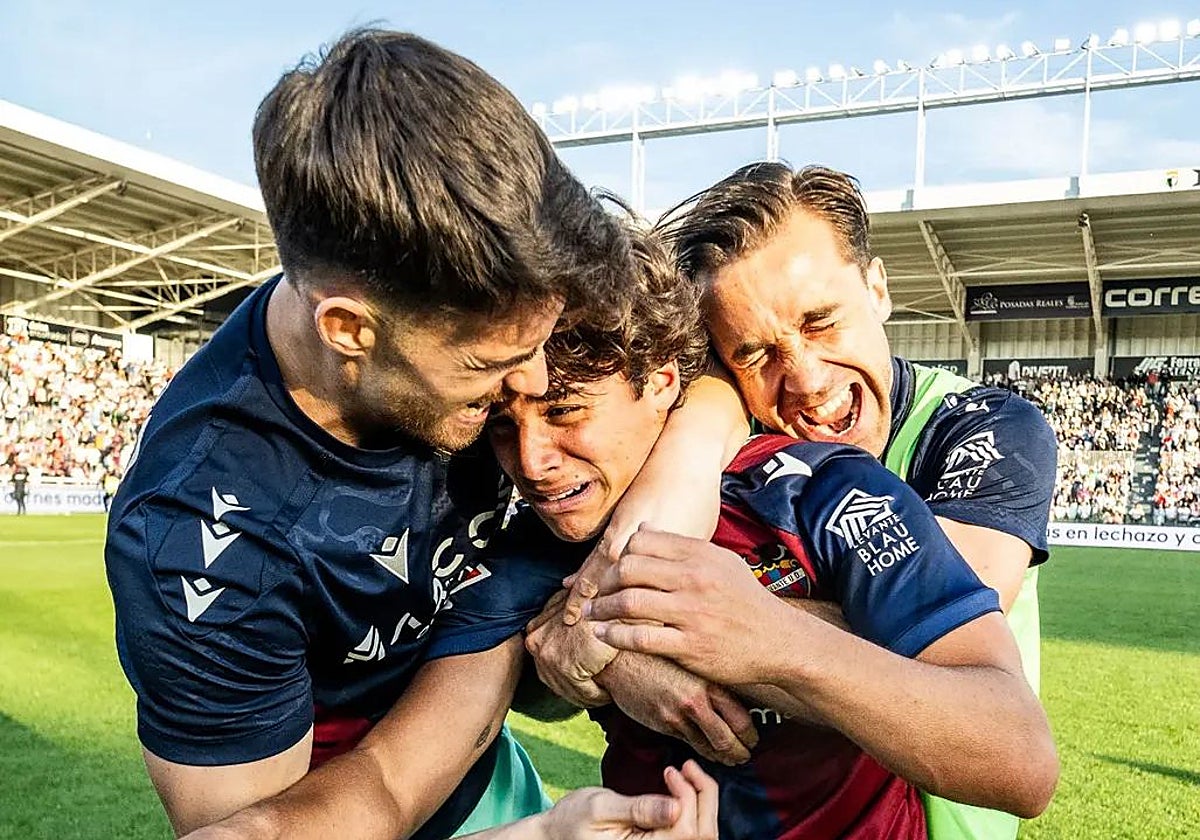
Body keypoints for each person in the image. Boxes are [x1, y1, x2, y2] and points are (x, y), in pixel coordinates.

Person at [105, 30, 740, 840]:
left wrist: (683, 465)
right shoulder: (201, 535)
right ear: (349, 331)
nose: (536, 385)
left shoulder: (460, 299)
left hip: (491, 772)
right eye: (496, 364)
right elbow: (287, 823)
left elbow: (699, 363)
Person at [483, 224, 1056, 838]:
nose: (807, 380)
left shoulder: (972, 433)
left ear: (878, 289)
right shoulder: (567, 515)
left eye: (821, 322)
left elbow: (946, 653)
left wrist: (641, 631)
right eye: (752, 354)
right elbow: (522, 681)